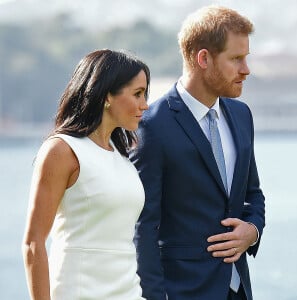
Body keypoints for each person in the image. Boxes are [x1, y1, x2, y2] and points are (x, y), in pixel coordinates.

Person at [131, 5, 265, 300]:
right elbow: (144, 227)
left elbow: (253, 195)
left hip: (238, 290)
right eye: (236, 59)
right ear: (203, 58)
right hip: (181, 292)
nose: (246, 69)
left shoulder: (242, 115)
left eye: (246, 58)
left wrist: (252, 230)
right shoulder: (152, 126)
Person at [22, 49, 150, 300]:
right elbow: (33, 243)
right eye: (137, 94)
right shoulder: (62, 151)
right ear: (107, 96)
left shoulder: (122, 156)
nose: (145, 104)